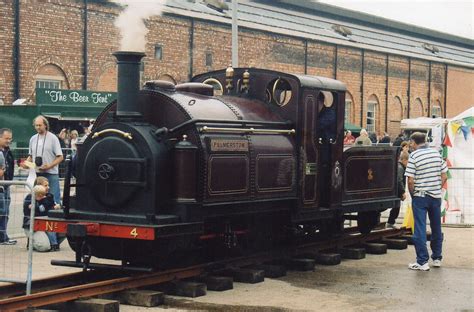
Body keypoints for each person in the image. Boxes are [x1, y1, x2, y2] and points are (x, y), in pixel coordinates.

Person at [405, 132, 448, 271]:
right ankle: (436, 258)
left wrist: (413, 194)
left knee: (420, 229)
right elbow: (444, 175)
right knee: (436, 227)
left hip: (421, 196)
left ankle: (422, 261)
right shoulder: (436, 153)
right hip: (435, 196)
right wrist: (437, 187)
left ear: (413, 142)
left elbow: (410, 180)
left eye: (411, 143)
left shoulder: (414, 156)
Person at [22, 116, 64, 204]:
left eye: (40, 125)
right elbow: (31, 155)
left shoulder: (53, 138)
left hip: (51, 174)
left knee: (54, 199)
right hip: (38, 175)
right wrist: (26, 163)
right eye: (36, 125)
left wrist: (49, 166)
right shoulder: (32, 139)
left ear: (45, 125)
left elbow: (60, 157)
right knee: (38, 199)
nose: (38, 127)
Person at [23, 180, 61, 251]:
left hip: (46, 222)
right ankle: (35, 243)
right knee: (44, 247)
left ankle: (53, 243)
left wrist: (54, 207)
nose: (48, 187)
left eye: (48, 185)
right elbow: (41, 210)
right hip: (34, 225)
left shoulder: (48, 196)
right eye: (45, 185)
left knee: (55, 228)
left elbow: (50, 206)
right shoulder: (30, 198)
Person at [0, 128, 16, 245]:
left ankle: (3, 236)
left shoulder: (8, 151)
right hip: (1, 185)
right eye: (6, 138)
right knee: (2, 211)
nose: (9, 141)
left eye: (10, 138)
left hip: (6, 185)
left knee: (5, 212)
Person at [386, 151, 409, 229]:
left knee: (396, 207)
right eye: (408, 162)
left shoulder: (399, 166)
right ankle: (390, 222)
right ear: (404, 160)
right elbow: (399, 180)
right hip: (396, 191)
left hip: (395, 191)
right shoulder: (400, 168)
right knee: (396, 207)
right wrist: (402, 192)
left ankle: (390, 222)